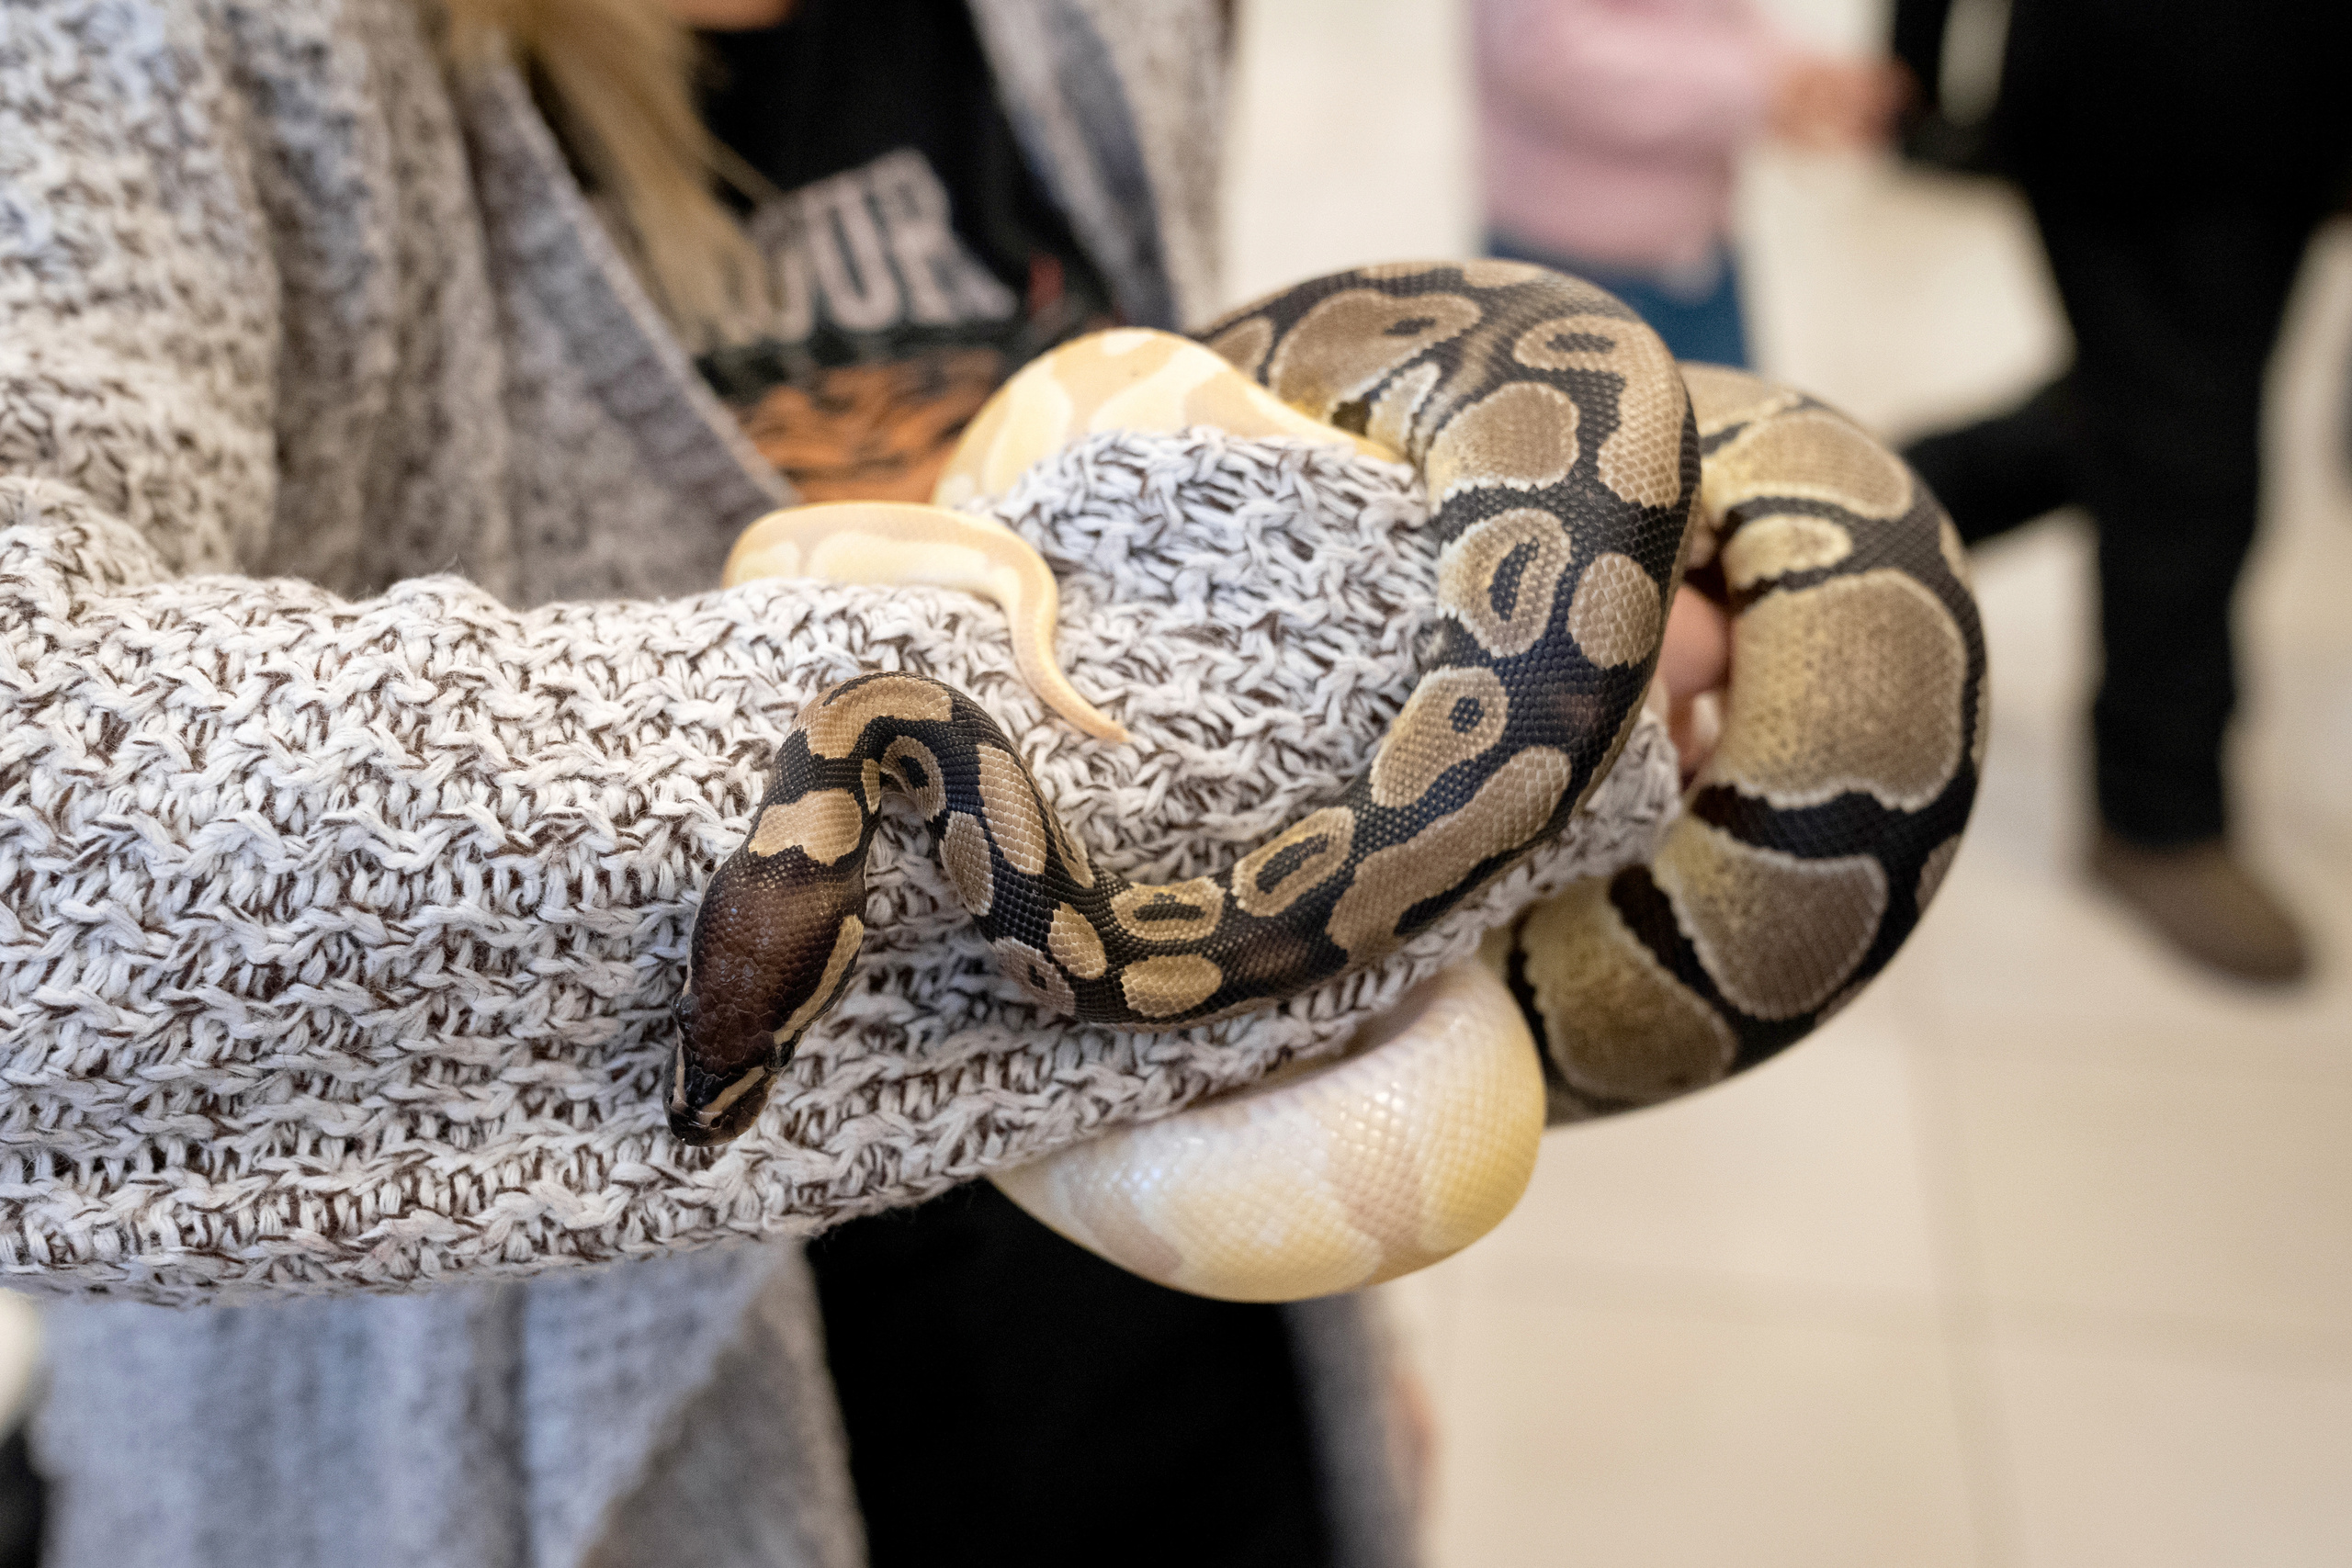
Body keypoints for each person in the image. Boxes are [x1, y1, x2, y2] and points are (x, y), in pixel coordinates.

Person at [0, 3, 1430, 1563]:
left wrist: (1343, 1305)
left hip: (1167, 1360)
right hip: (482, 1481)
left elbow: (1200, 470)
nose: (716, 1082)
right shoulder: (151, 41)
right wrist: (1458, 671)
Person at [1893, 0, 2352, 985]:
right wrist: (1917, 68)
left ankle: (1867, 507)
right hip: (2142, 101)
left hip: (2284, 115)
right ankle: (2158, 815)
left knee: (2151, 413)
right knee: (2187, 455)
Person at [1471, 0, 1902, 366]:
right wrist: (1763, 86)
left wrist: (1799, 70)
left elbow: (1711, 16)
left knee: (1723, 452)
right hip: (1569, 269)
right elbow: (1549, 55)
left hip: (1698, 260)